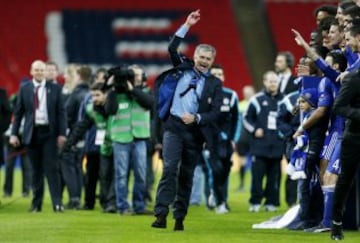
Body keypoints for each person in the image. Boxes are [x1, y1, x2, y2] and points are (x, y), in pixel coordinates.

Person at [151, 9, 222, 231]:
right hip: (173, 127)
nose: (204, 61)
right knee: (170, 168)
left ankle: (179, 217)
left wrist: (198, 117)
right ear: (196, 56)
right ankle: (161, 214)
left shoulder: (214, 84)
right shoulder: (182, 67)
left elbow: (215, 112)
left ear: (212, 62)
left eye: (208, 59)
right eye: (201, 57)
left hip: (194, 133)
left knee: (186, 176)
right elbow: (172, 47)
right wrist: (187, 25)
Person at [9, 60, 66, 212]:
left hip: (49, 133)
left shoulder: (55, 89)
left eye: (42, 70)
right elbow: (18, 112)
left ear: (45, 72)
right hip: (32, 133)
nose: (40, 73)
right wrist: (14, 134)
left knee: (52, 168)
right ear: (31, 71)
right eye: (37, 70)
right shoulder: (25, 88)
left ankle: (57, 203)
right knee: (36, 170)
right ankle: (36, 204)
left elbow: (61, 113)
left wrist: (62, 133)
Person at [243, 71, 284, 212]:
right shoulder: (256, 99)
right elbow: (246, 118)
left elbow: (290, 119)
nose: (273, 84)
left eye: (275, 81)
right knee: (257, 177)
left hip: (277, 145)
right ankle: (255, 202)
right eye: (270, 81)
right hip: (259, 146)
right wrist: (254, 130)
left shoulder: (284, 100)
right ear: (264, 82)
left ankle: (271, 203)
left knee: (274, 177)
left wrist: (284, 132)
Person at [330, 69, 360, 240]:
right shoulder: (353, 79)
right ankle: (336, 223)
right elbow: (338, 106)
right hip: (354, 138)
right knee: (345, 180)